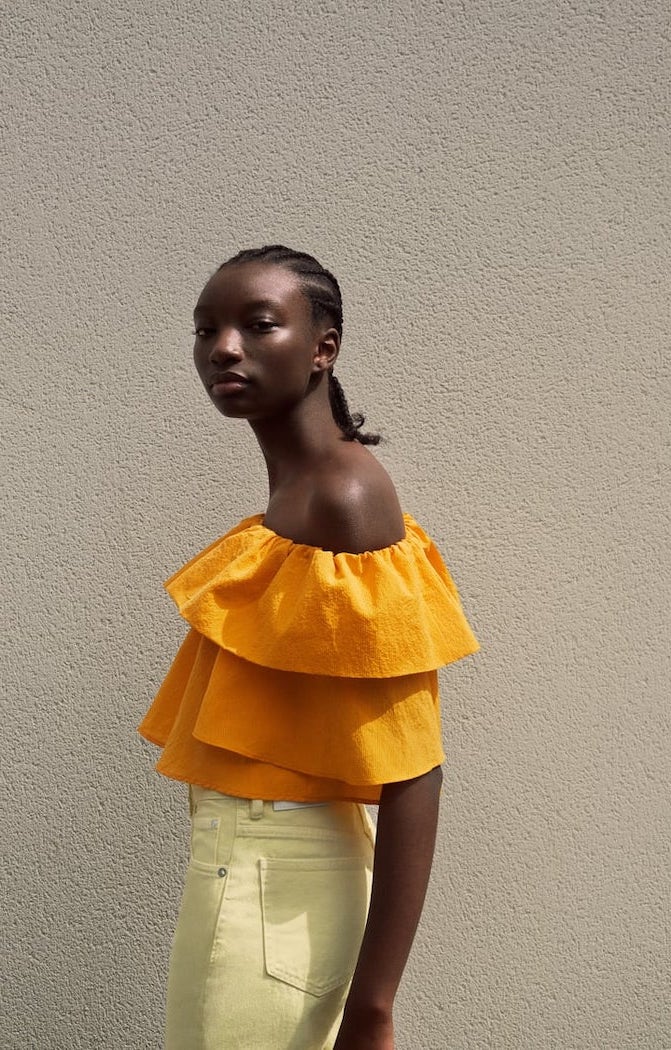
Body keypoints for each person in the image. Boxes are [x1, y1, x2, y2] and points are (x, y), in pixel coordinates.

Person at [139, 245, 480, 1049]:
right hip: (263, 877)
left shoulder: (344, 498)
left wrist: (376, 1005)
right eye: (206, 330)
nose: (224, 348)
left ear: (324, 346)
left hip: (271, 888)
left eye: (258, 325)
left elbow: (413, 769)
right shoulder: (300, 495)